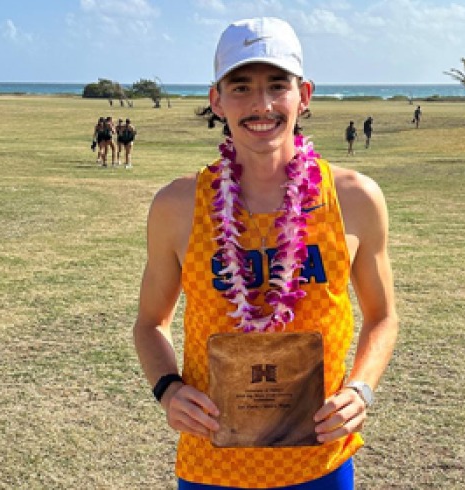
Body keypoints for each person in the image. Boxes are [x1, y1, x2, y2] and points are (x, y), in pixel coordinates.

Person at [132, 16, 398, 490]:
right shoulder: (178, 205)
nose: (262, 105)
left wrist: (362, 390)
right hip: (210, 464)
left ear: (305, 95)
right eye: (241, 87)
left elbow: (383, 317)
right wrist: (167, 390)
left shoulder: (354, 198)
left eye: (278, 86)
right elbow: (151, 322)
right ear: (216, 99)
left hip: (320, 461)